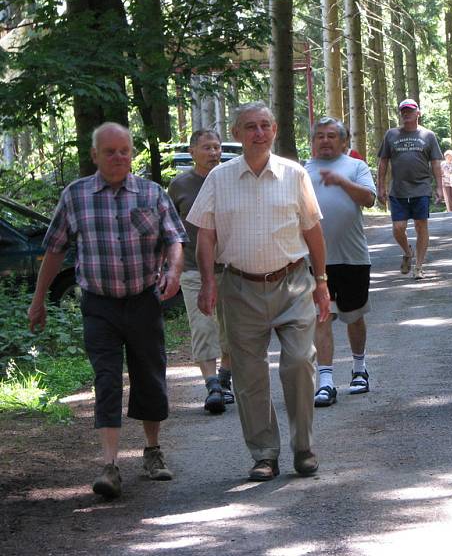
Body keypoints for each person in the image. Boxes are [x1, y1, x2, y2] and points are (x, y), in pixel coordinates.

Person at [27, 122, 188, 499]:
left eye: (124, 151)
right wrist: (38, 301)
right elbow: (54, 250)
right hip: (99, 304)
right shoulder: (76, 195)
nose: (118, 157)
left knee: (150, 374)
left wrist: (174, 270)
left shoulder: (151, 193)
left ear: (132, 154)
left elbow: (174, 238)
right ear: (95, 155)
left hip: (144, 300)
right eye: (110, 151)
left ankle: (152, 452)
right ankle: (110, 465)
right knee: (107, 378)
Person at [187, 101, 330, 482]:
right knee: (250, 376)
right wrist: (208, 280)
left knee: (300, 362)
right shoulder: (219, 178)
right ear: (236, 134)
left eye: (265, 125)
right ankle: (264, 454)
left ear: (275, 130)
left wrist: (321, 282)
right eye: (250, 127)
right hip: (240, 287)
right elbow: (206, 234)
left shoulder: (294, 174)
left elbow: (313, 230)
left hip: (293, 282)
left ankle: (304, 448)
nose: (259, 133)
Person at [305, 116, 376, 407]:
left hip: (353, 257)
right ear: (312, 141)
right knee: (321, 317)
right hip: (314, 261)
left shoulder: (355, 166)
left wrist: (342, 182)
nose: (325, 140)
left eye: (331, 135)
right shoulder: (302, 171)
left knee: (354, 315)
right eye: (319, 136)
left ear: (344, 141)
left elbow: (370, 199)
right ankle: (325, 382)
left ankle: (359, 369)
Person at [168, 128, 234, 414]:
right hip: (194, 268)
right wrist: (169, 265)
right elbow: (169, 229)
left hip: (232, 267)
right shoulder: (180, 185)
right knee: (203, 326)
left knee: (231, 329)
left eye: (217, 147)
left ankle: (225, 378)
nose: (213, 153)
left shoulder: (231, 180)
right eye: (206, 148)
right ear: (192, 152)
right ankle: (212, 386)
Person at [377, 98, 444, 280]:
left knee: (421, 224)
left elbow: (436, 163)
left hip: (421, 187)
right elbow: (383, 162)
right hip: (398, 189)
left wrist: (439, 186)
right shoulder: (391, 135)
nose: (406, 114)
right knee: (399, 227)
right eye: (403, 111)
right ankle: (407, 252)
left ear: (418, 113)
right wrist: (380, 186)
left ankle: (419, 267)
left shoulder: (428, 136)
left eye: (410, 110)